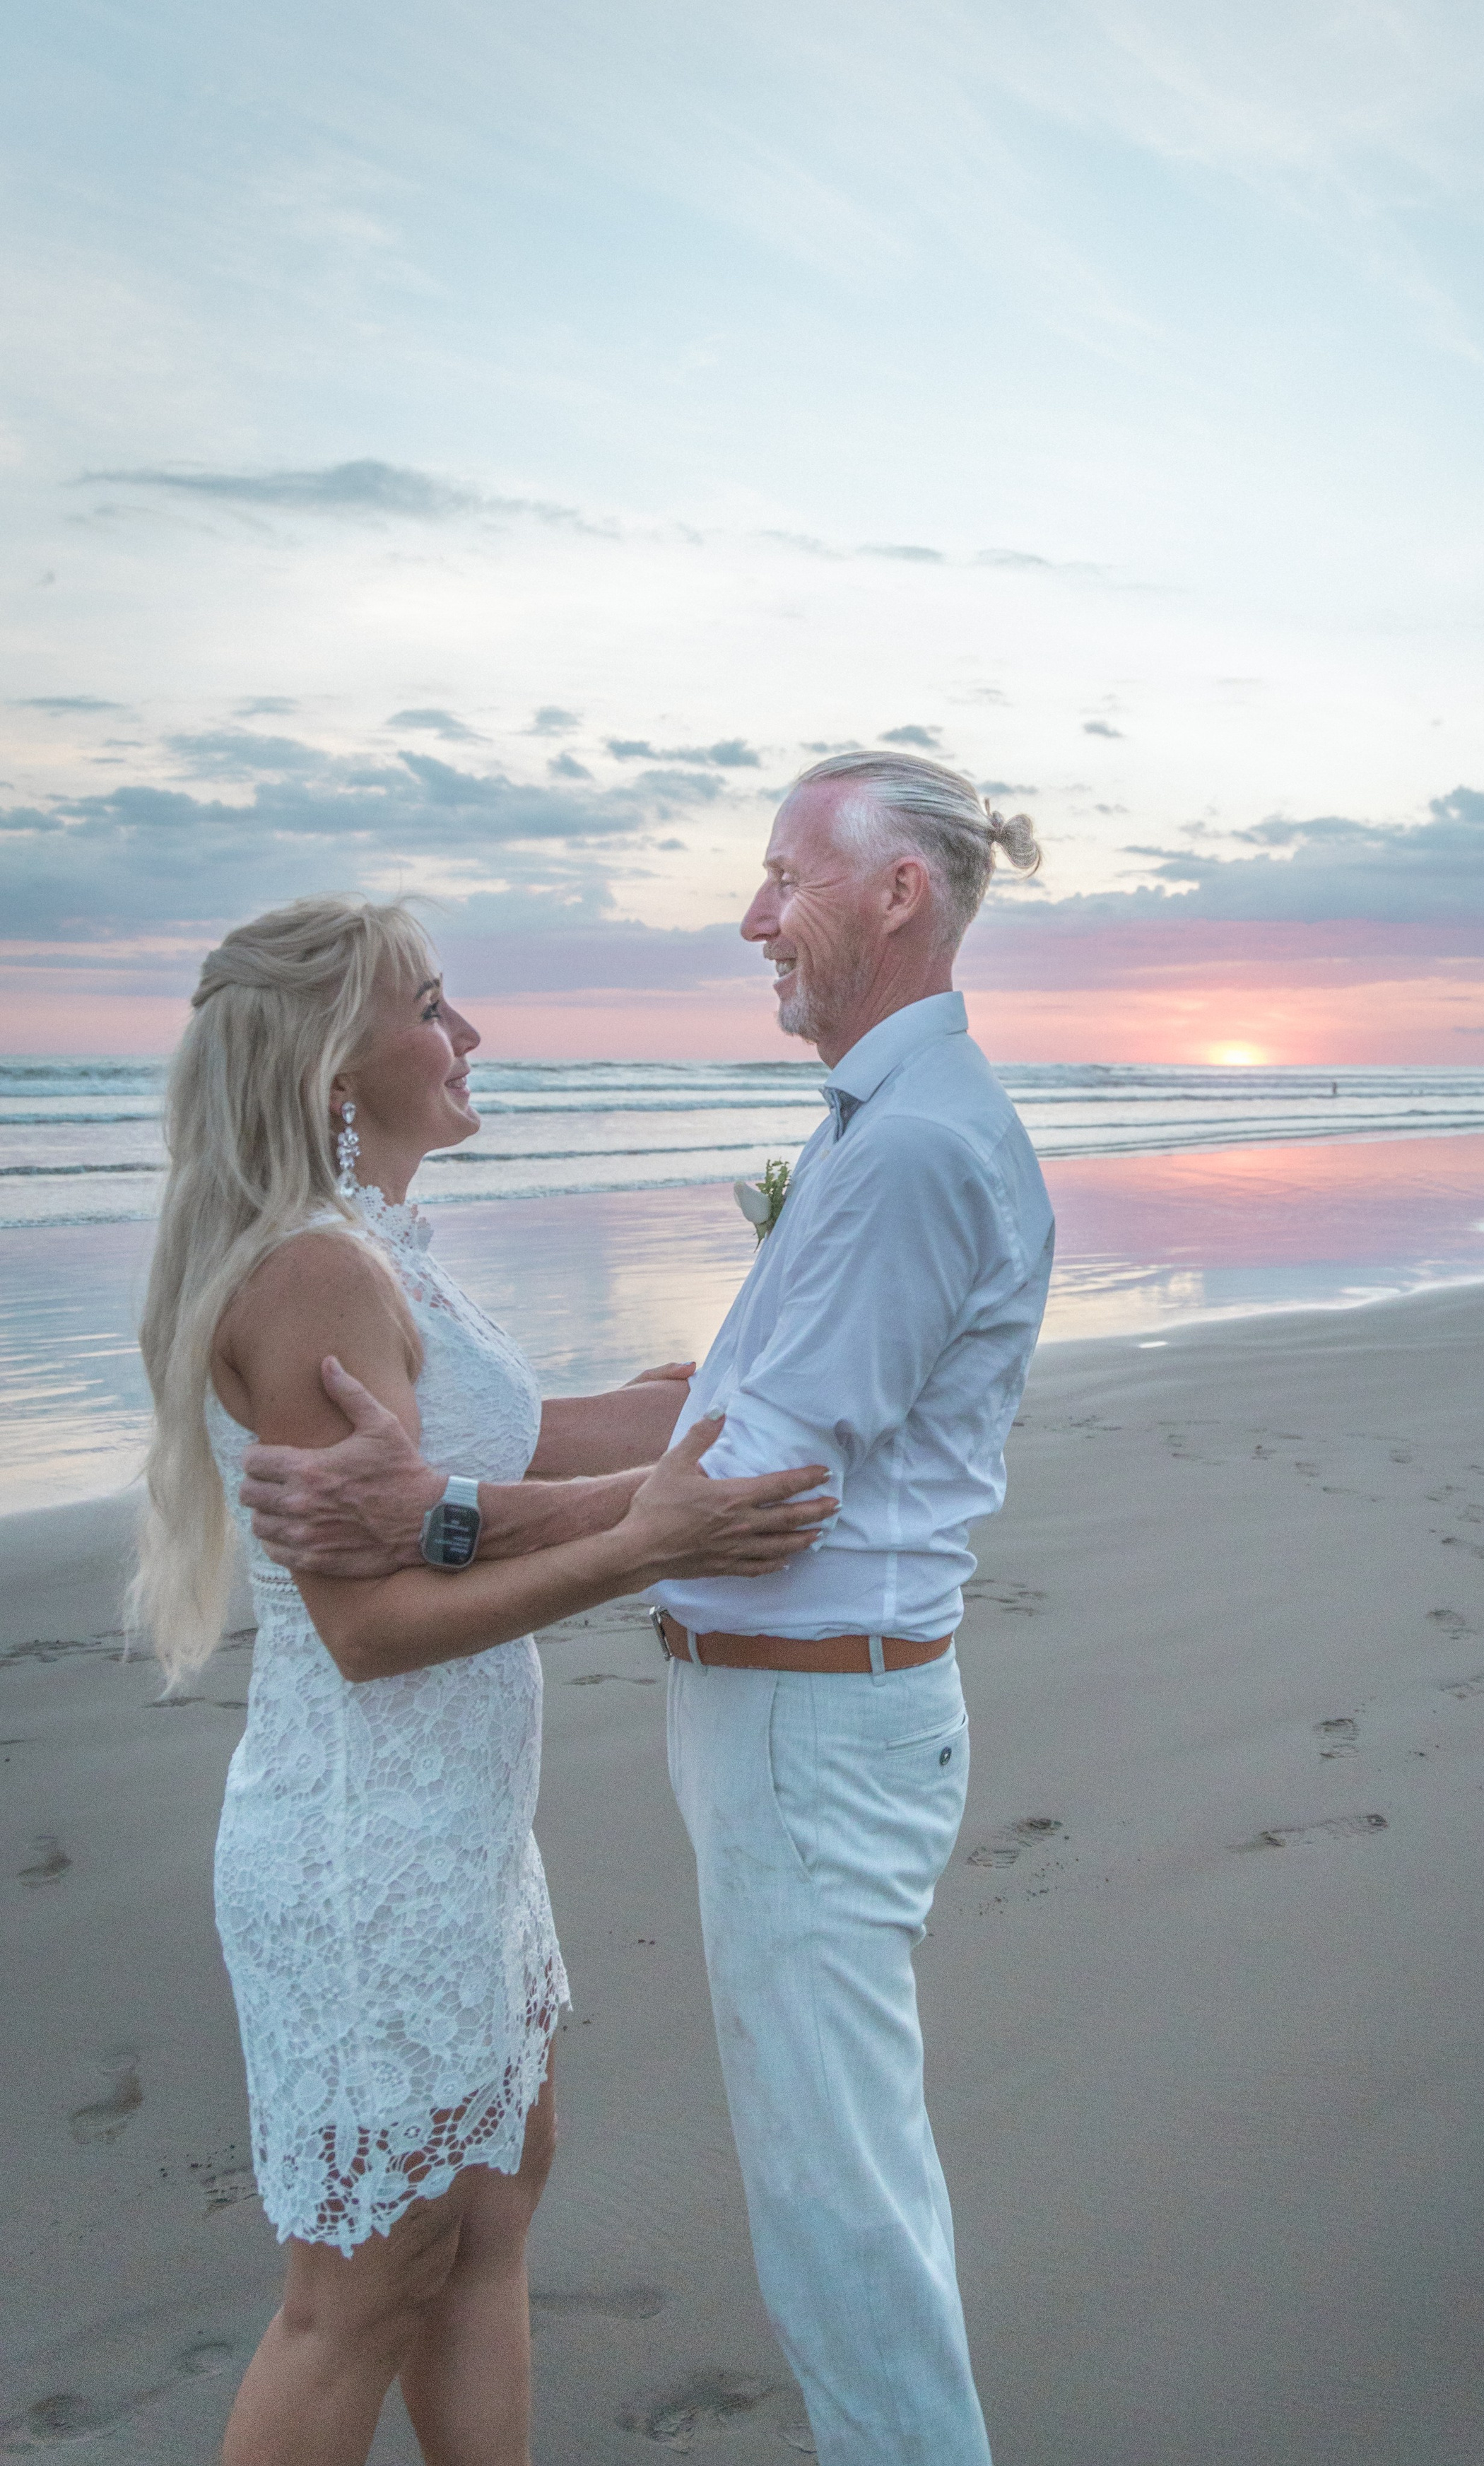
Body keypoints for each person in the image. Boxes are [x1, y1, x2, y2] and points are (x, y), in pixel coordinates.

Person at [243, 757, 1054, 2465]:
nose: (752, 914)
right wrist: (544, 1465)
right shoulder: (870, 1128)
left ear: (895, 892)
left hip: (812, 1718)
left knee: (835, 2204)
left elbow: (744, 1485)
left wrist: (442, 1510)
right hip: (730, 1727)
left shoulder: (905, 1145)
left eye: (782, 876)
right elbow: (687, 1440)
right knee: (746, 2190)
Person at [135, 896, 832, 2466]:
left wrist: (730, 1377)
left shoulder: (376, 1246)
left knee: (493, 2213)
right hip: (361, 1847)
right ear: (334, 1065)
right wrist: (656, 1541)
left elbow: (504, 1454)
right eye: (432, 1006)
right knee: (359, 2292)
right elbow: (369, 1626)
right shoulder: (308, 1273)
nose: (469, 1035)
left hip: (458, 1837)